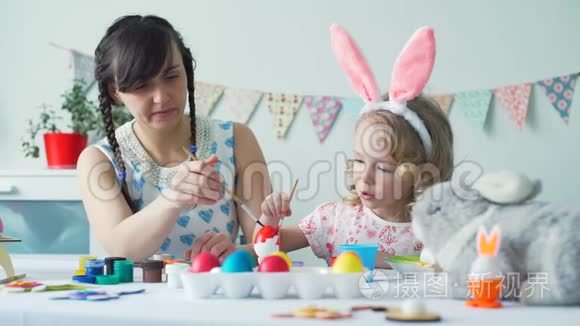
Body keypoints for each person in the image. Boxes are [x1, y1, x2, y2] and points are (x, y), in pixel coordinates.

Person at [254, 25, 453, 268]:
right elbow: (264, 251)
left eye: (383, 168)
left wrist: (382, 261)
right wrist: (269, 220)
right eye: (359, 161)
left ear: (421, 174)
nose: (365, 178)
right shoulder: (334, 219)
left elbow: (449, 274)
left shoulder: (436, 231)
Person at [78, 15, 270, 262]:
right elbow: (122, 249)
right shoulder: (98, 160)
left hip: (220, 293)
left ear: (187, 72)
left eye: (171, 77)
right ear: (115, 92)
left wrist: (235, 254)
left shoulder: (236, 139)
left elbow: (265, 241)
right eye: (141, 85)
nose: (161, 97)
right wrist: (173, 198)